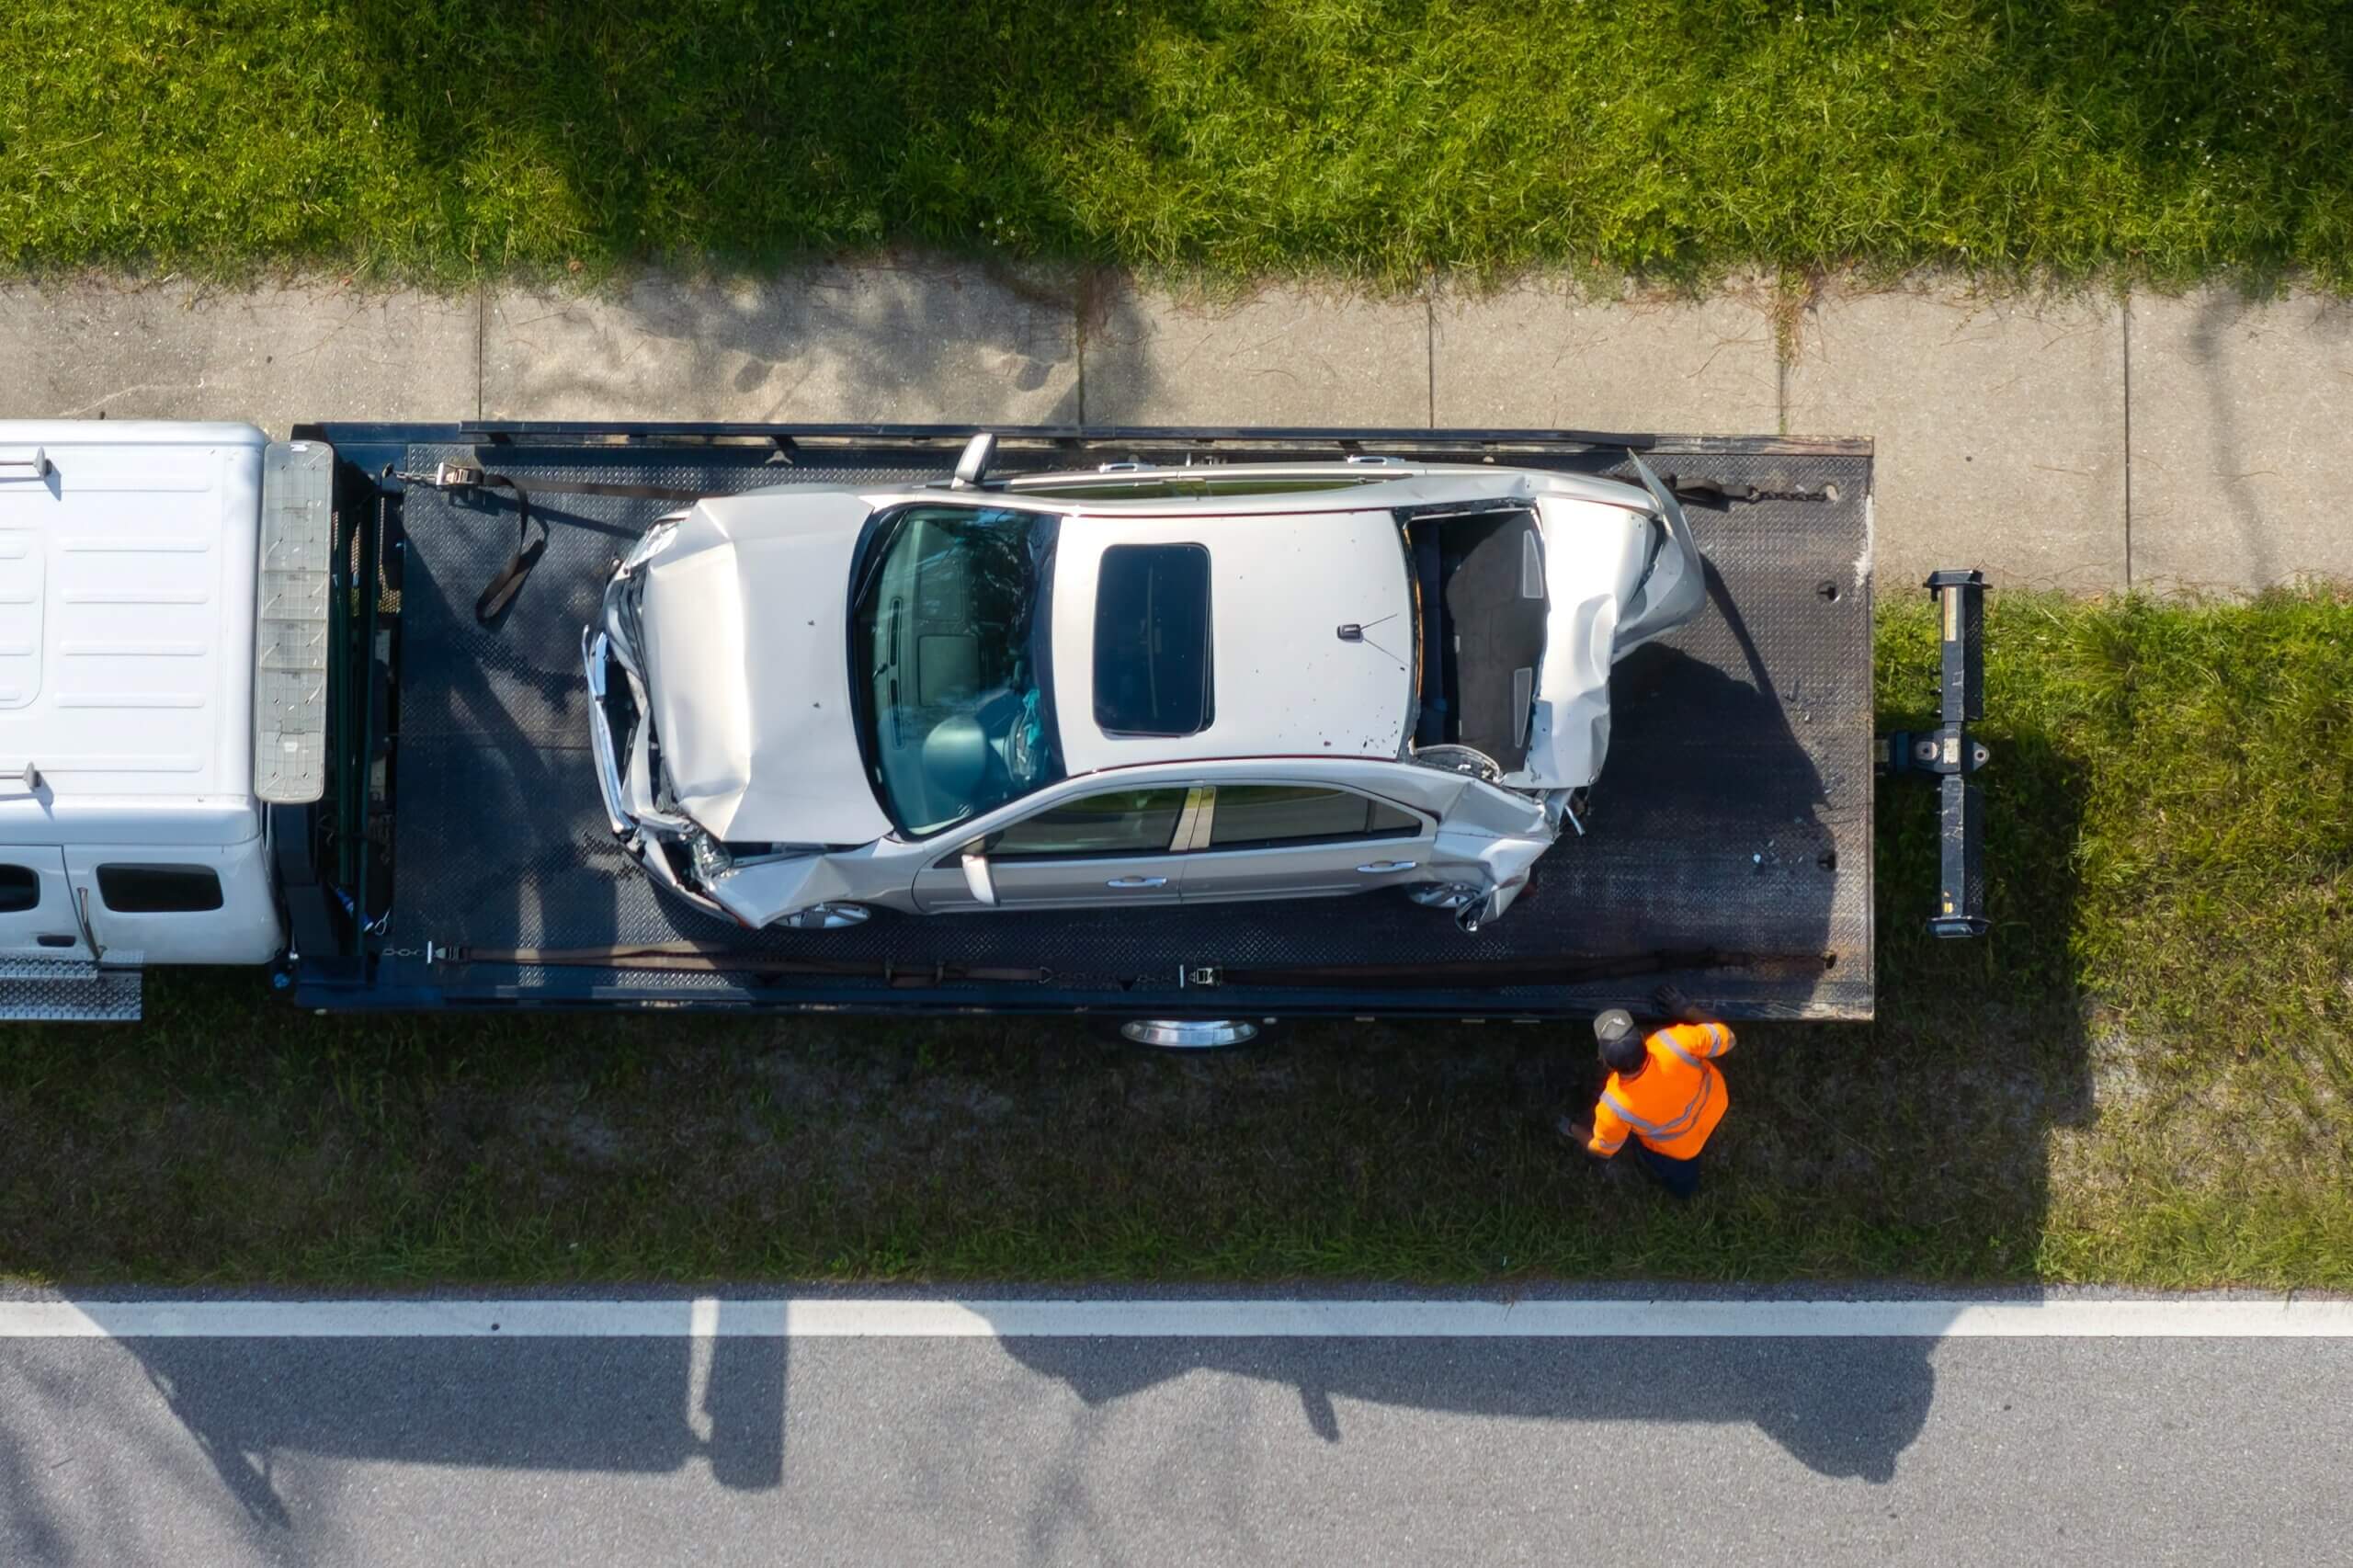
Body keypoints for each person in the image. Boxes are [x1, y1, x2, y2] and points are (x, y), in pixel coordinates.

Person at [1556, 985, 1735, 1199]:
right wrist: (1686, 1009)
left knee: (1678, 1175)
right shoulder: (1674, 1042)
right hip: (1716, 1106)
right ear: (1642, 1038)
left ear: (1603, 1061)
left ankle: (1684, 1192)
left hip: (1680, 1150)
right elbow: (1728, 1038)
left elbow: (1603, 1150)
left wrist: (1572, 1128)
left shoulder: (1615, 1106)